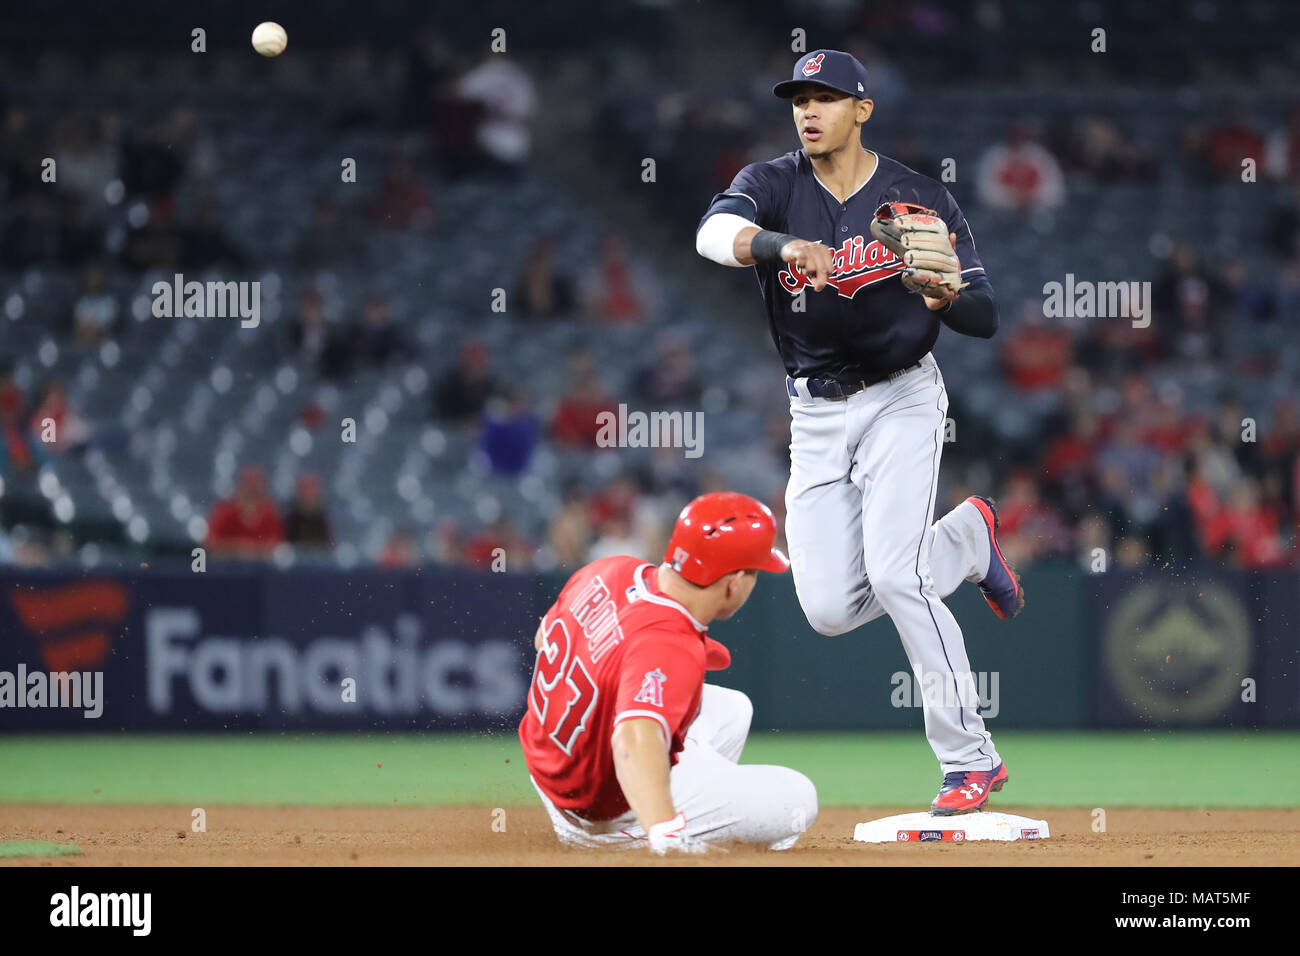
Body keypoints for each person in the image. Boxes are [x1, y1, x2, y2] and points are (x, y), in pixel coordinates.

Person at [694, 50, 1023, 816]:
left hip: (902, 399)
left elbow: (985, 315)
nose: (809, 111)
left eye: (828, 97)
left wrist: (943, 294)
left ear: (862, 110)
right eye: (800, 99)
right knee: (830, 609)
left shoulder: (917, 194)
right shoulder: (771, 185)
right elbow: (715, 234)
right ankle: (967, 542)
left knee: (900, 575)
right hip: (813, 413)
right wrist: (778, 245)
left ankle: (969, 760)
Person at [520, 492, 818, 853]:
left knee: (732, 709)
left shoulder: (610, 568)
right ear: (735, 581)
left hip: (552, 768)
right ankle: (644, 828)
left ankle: (672, 796)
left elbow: (542, 638)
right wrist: (666, 833)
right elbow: (632, 739)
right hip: (600, 812)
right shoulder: (671, 644)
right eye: (755, 572)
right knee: (798, 798)